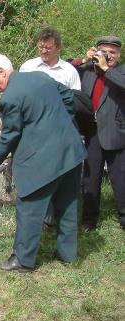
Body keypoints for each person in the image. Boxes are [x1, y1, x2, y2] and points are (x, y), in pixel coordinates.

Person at [0, 54, 86, 272]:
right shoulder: (40, 77)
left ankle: (23, 260)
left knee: (29, 209)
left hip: (43, 161)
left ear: (2, 71)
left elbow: (10, 137)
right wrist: (57, 122)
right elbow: (69, 98)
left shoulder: (9, 98)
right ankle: (68, 255)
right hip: (70, 152)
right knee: (67, 206)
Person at [20, 27, 81, 227]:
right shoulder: (28, 67)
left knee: (59, 174)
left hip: (61, 132)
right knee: (39, 175)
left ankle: (58, 218)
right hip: (34, 131)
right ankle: (42, 219)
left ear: (58, 47)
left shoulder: (69, 71)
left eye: (48, 47)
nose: (43, 51)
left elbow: (76, 102)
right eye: (40, 47)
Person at [70, 36, 125, 230]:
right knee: (90, 179)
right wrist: (84, 60)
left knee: (120, 179)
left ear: (119, 54)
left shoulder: (120, 71)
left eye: (112, 52)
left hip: (115, 132)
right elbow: (65, 69)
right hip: (91, 132)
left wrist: (107, 69)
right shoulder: (87, 71)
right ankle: (88, 220)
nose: (108, 55)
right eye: (104, 51)